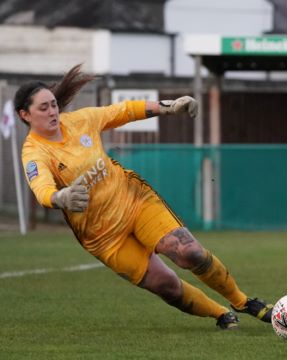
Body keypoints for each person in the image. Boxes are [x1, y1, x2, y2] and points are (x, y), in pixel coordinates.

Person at [16, 65, 273, 330]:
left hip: (134, 201)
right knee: (168, 286)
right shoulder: (34, 152)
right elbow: (41, 188)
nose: (53, 112)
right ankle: (220, 314)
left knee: (189, 253)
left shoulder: (80, 120)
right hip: (103, 238)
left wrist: (169, 106)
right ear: (25, 115)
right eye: (43, 108)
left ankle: (242, 302)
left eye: (54, 105)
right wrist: (60, 197)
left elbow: (125, 111)